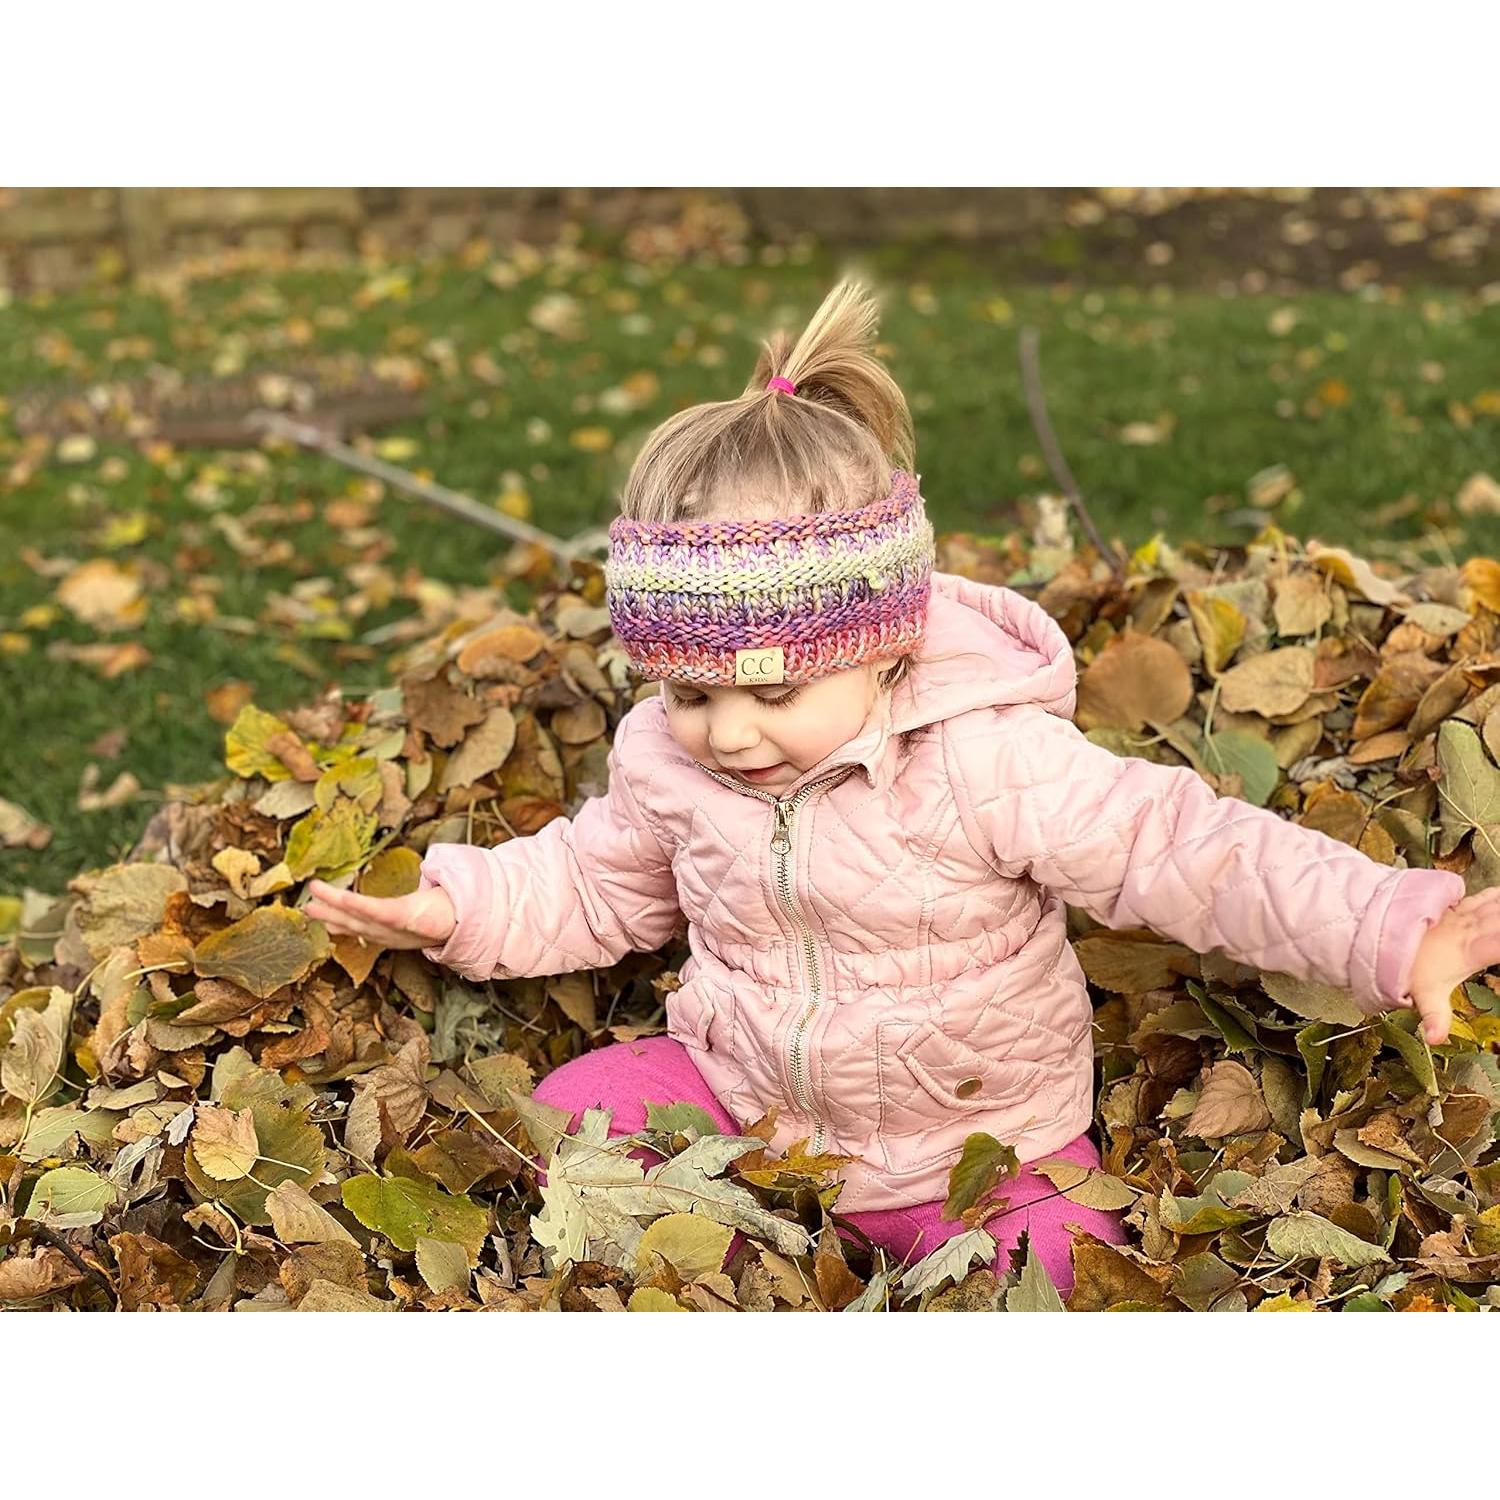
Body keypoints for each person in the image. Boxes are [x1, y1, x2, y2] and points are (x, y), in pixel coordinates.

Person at [305, 278, 1497, 1299]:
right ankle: (754, 1247)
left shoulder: (982, 760)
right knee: (572, 1116)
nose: (726, 733)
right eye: (687, 693)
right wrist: (455, 909)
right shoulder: (667, 761)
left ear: (884, 645)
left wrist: (1391, 930)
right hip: (752, 1107)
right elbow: (590, 881)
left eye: (771, 696)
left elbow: (1187, 849)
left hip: (979, 1139)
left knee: (1058, 1276)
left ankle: (926, 1259)